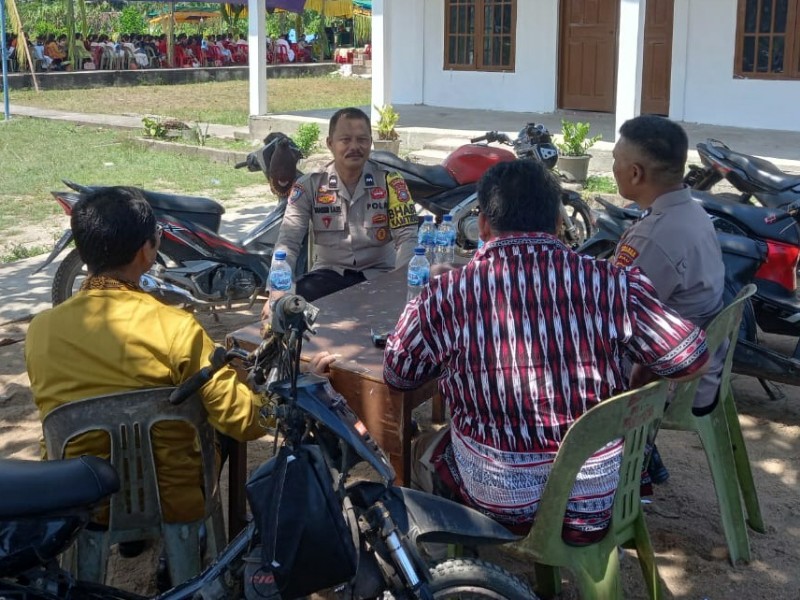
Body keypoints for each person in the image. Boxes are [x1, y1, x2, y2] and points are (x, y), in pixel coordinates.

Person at [384, 159, 710, 543]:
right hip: (595, 501)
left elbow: (398, 374)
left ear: (484, 225)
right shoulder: (613, 283)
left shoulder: (450, 292)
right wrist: (638, 387)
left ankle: (456, 564)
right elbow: (691, 358)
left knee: (424, 446)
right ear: (558, 223)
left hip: (498, 499)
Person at [25, 186, 268, 529]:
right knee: (216, 417)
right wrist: (270, 394)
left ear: (81, 248)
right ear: (147, 251)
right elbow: (245, 421)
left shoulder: (41, 331)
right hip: (171, 502)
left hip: (78, 501)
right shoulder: (176, 327)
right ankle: (187, 548)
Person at [612, 115, 726, 482]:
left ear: (635, 174)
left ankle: (623, 465)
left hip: (667, 382)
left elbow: (610, 315)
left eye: (615, 159)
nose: (612, 166)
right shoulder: (693, 213)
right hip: (699, 364)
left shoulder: (655, 237)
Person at [263, 107, 418, 312]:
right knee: (287, 310)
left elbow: (407, 238)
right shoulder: (309, 185)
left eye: (362, 140)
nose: (354, 146)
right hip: (330, 275)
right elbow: (288, 242)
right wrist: (277, 290)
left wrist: (401, 286)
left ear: (370, 143)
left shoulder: (390, 181)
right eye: (345, 140)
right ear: (330, 144)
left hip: (380, 274)